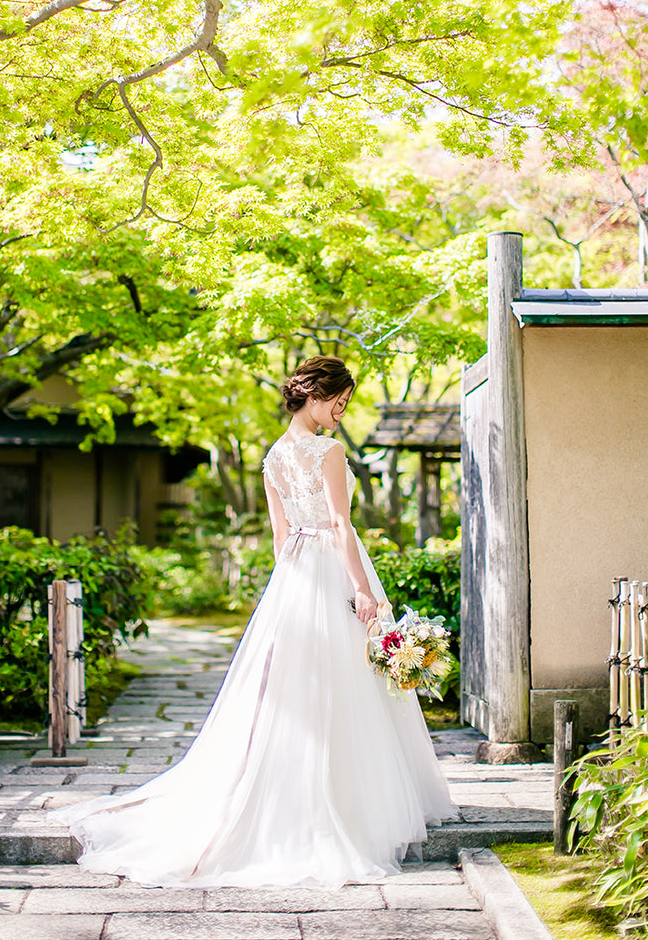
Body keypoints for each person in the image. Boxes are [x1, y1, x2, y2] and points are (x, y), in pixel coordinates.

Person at [58, 355, 458, 888]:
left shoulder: (273, 458)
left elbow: (280, 537)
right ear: (314, 395)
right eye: (338, 402)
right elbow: (341, 524)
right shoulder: (329, 451)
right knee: (347, 679)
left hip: (296, 575)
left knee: (298, 687)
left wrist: (289, 592)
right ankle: (348, 802)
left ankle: (301, 792)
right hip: (334, 567)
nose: (341, 412)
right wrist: (362, 590)